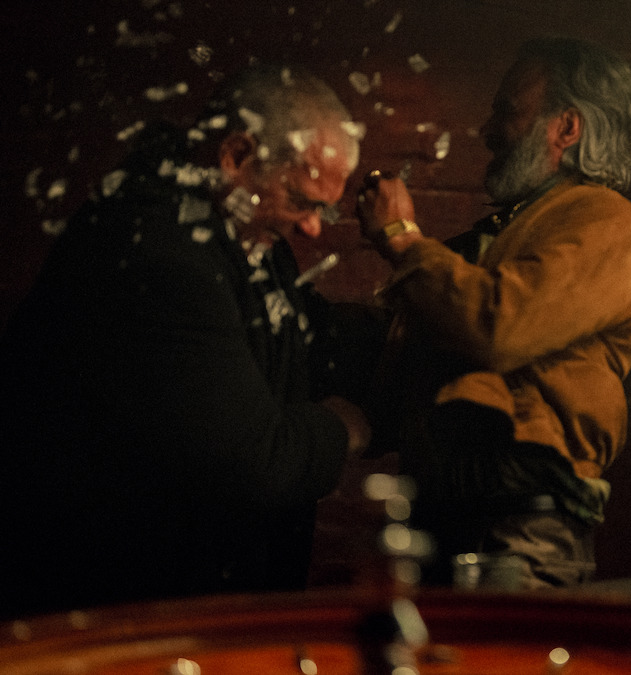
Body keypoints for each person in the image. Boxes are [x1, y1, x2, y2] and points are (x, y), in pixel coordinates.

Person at [0, 64, 377, 617]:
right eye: (303, 201)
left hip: (162, 604)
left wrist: (419, 302)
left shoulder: (231, 226)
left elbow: (303, 333)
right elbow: (257, 461)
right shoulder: (158, 251)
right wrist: (346, 429)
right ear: (237, 157)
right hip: (108, 613)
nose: (315, 228)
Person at [357, 36, 631, 588]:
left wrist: (401, 239)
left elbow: (499, 327)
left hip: (517, 536)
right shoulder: (509, 232)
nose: (487, 131)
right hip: (447, 520)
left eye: (508, 112)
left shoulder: (606, 222)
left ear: (566, 128)